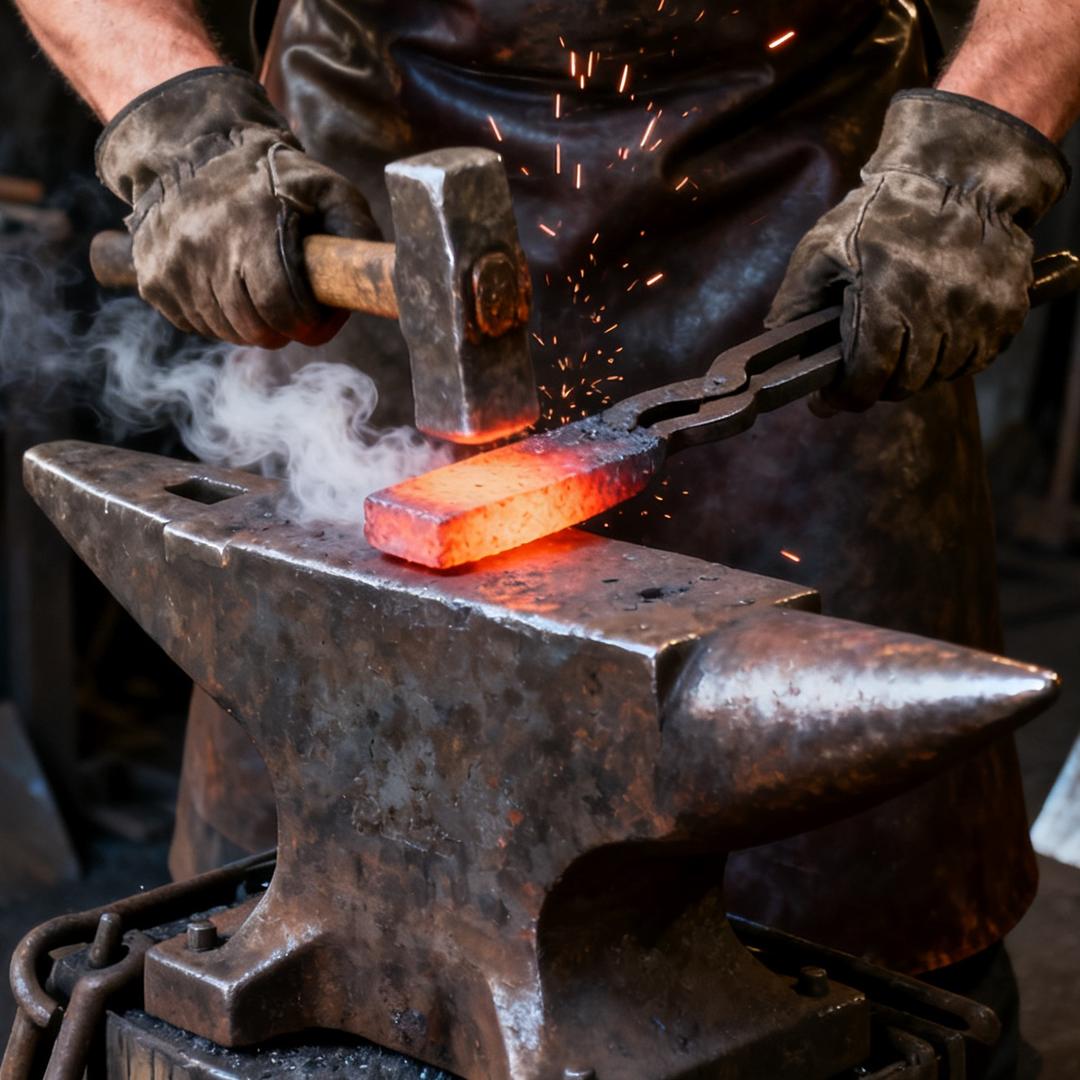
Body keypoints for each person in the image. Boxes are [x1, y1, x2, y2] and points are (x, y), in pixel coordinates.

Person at [14, 1, 1080, 1075]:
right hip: (362, 183)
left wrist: (968, 167)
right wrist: (182, 127)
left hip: (816, 210)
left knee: (868, 907)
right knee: (306, 789)